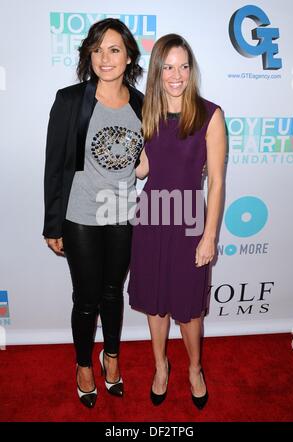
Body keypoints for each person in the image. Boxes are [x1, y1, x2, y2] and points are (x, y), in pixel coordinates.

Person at [43, 18, 143, 408]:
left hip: (122, 213)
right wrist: (53, 223)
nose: (105, 57)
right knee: (86, 298)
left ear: (128, 55)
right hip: (80, 213)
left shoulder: (140, 101)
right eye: (98, 49)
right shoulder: (70, 100)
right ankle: (84, 365)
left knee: (113, 293)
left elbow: (146, 159)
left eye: (114, 49)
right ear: (89, 54)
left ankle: (111, 357)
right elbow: (55, 165)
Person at [128, 34, 226, 409]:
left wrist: (209, 236)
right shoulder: (147, 113)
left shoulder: (209, 114)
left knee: (188, 310)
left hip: (188, 223)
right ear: (157, 72)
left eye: (183, 66)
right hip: (152, 218)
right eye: (168, 66)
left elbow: (216, 181)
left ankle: (195, 369)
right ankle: (160, 367)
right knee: (155, 305)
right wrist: (124, 159)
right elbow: (145, 169)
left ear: (191, 70)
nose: (176, 74)